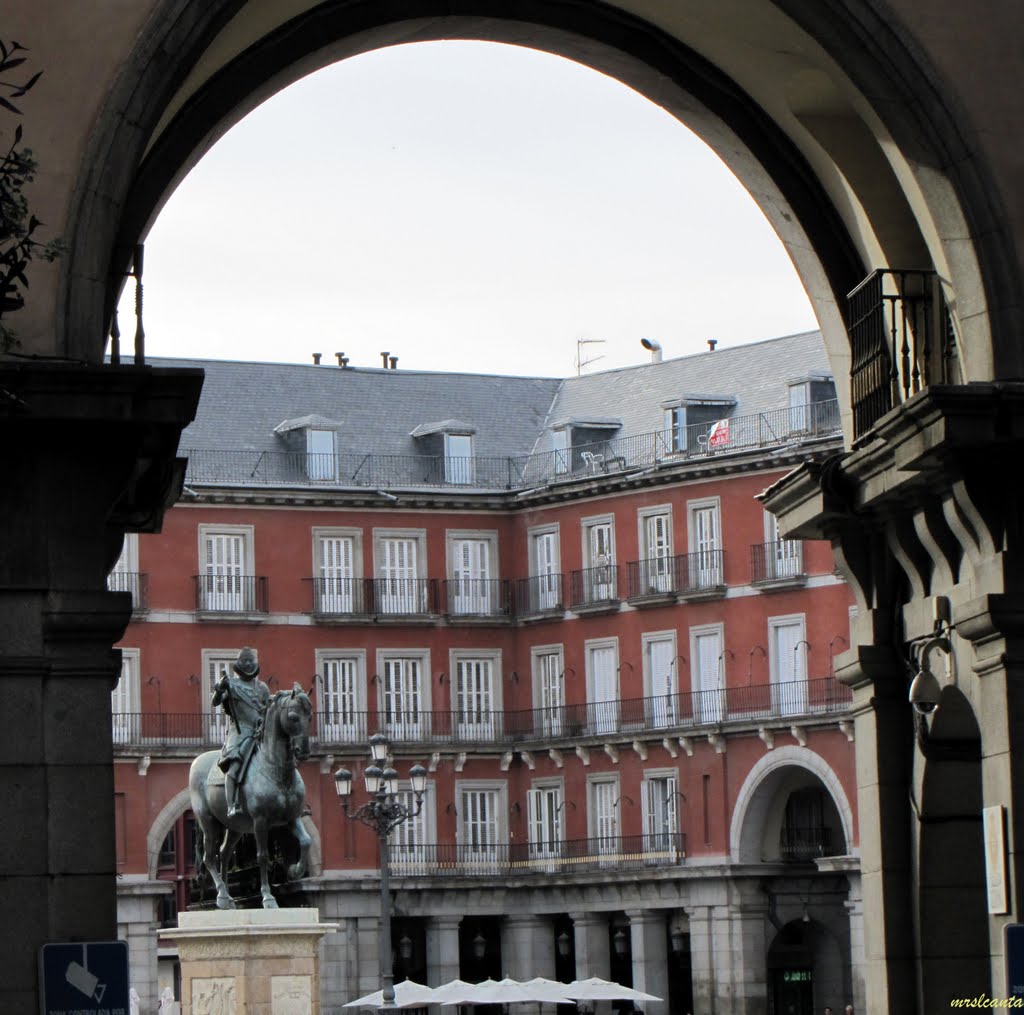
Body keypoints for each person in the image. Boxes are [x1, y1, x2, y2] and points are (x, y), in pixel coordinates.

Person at [213, 646, 270, 817]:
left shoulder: (262, 687)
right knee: (234, 767)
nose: (248, 664)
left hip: (262, 731)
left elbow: (268, 708)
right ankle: (231, 805)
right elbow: (215, 702)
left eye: (250, 660)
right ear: (238, 664)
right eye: (244, 661)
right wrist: (220, 688)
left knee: (284, 756)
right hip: (241, 732)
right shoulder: (232, 685)